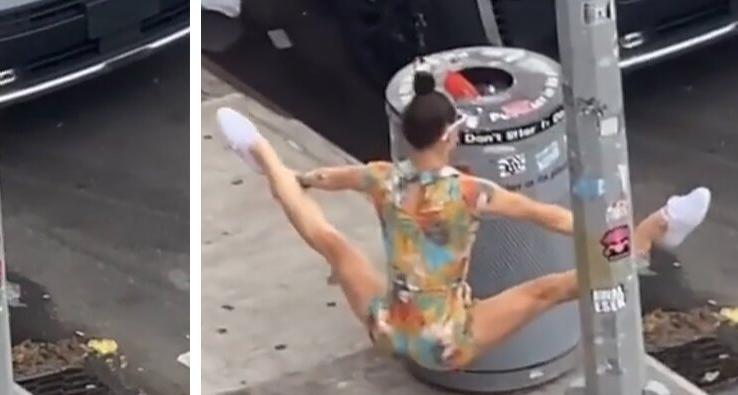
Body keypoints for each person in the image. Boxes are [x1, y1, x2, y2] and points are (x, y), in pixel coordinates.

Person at [214, 71, 711, 371]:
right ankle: (651, 234)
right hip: (450, 339)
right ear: (450, 137)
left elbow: (329, 178)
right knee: (552, 289)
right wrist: (605, 235)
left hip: (391, 327)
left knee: (330, 241)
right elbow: (549, 218)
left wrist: (301, 178)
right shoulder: (471, 193)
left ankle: (259, 149)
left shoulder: (382, 178)